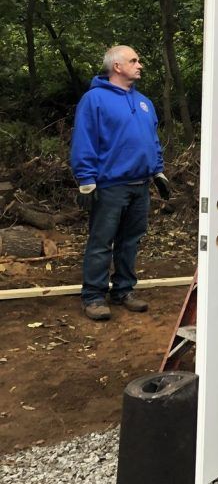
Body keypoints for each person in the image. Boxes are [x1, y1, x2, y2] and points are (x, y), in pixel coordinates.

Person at [70, 46, 169, 322]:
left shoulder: (145, 102)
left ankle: (123, 290)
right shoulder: (95, 100)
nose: (140, 65)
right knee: (102, 242)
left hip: (140, 185)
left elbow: (152, 141)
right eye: (134, 60)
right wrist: (86, 180)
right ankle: (93, 296)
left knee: (130, 241)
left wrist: (158, 172)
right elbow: (84, 140)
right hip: (110, 186)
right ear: (116, 66)